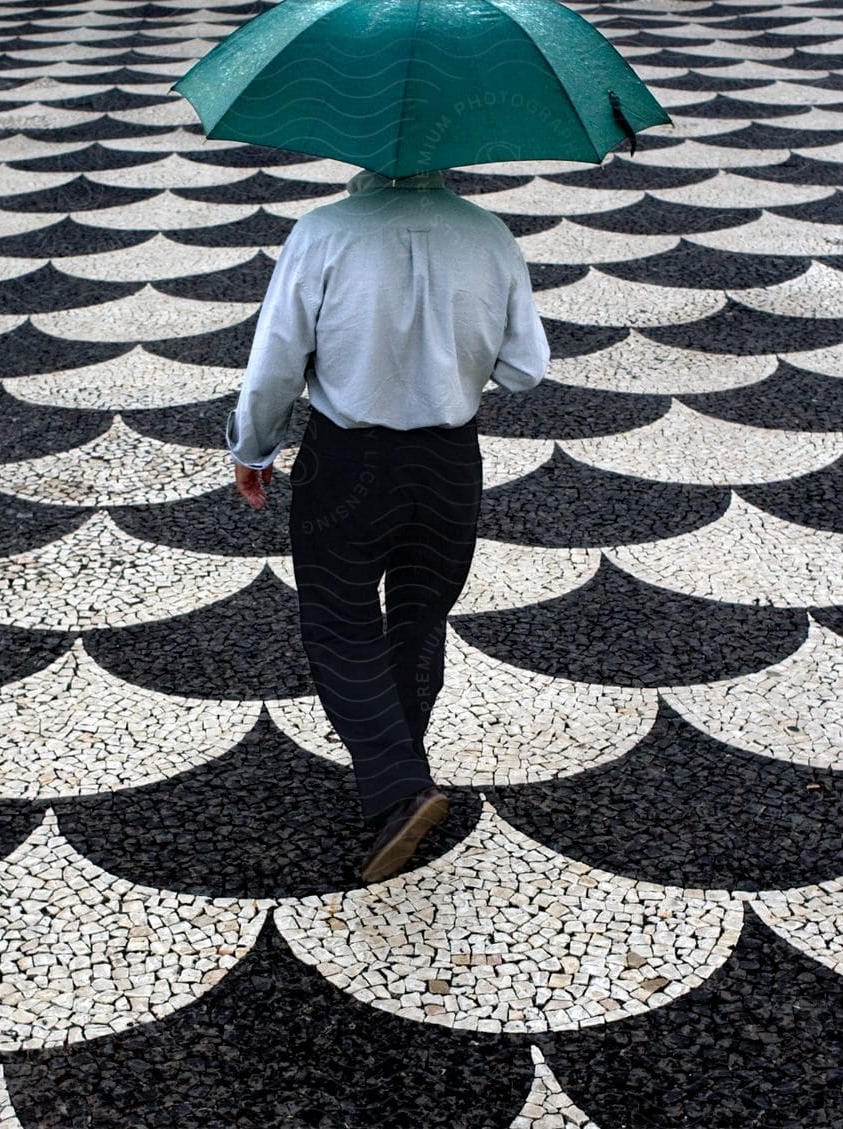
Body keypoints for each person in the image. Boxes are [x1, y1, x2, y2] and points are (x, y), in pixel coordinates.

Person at [228, 167, 549, 883]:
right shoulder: (490, 235)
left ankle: (400, 786)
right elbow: (526, 368)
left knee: (339, 619)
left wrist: (254, 446)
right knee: (418, 617)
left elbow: (277, 358)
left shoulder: (323, 233)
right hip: (450, 462)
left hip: (347, 459)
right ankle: (401, 785)